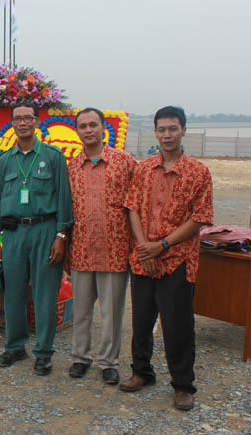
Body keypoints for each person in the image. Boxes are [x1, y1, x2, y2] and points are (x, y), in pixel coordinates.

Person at [120, 106, 213, 411]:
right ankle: (141, 372)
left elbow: (199, 218)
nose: (167, 135)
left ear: (184, 130)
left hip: (178, 260)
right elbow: (132, 207)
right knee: (141, 320)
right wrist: (145, 246)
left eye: (173, 128)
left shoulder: (198, 172)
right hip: (144, 257)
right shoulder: (143, 168)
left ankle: (183, 385)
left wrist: (162, 245)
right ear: (155, 132)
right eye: (162, 129)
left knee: (178, 326)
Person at [0, 101, 73, 375]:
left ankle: (44, 352)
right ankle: (15, 347)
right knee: (12, 293)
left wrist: (61, 235)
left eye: (28, 118)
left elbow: (63, 198)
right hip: (14, 235)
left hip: (45, 231)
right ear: (12, 123)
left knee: (44, 295)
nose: (22, 122)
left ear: (37, 122)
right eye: (17, 119)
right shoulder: (5, 160)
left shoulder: (52, 156)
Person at [67, 108, 137, 384]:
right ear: (77, 131)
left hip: (115, 249)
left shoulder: (125, 162)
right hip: (82, 249)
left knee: (112, 312)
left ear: (103, 127)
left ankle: (108, 362)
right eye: (82, 126)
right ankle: (79, 358)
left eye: (92, 124)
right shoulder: (71, 167)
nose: (88, 130)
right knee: (81, 310)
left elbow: (137, 204)